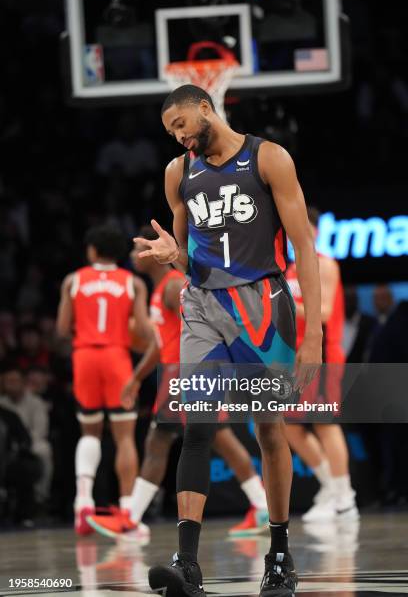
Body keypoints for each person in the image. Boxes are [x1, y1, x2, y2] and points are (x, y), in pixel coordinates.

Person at [134, 85, 322, 597]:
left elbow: (304, 247)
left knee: (268, 430)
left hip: (262, 302)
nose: (178, 136)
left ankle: (279, 554)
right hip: (202, 306)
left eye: (180, 124)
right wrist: (171, 254)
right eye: (169, 130)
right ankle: (187, 563)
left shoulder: (269, 158)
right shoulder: (179, 173)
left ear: (204, 107)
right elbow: (186, 258)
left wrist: (314, 334)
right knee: (196, 429)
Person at [111, 224, 268, 538]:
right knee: (202, 438)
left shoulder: (172, 287)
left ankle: (132, 519)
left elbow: (207, 323)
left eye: (136, 249)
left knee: (174, 441)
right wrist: (136, 378)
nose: (132, 255)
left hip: (188, 374)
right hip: (178, 374)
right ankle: (261, 504)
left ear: (153, 252)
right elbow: (159, 344)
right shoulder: (160, 290)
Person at [56, 225, 154, 536]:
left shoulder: (73, 280)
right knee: (124, 437)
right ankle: (127, 510)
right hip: (117, 357)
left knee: (90, 431)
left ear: (92, 251)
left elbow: (61, 329)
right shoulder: (133, 283)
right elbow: (142, 329)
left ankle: (82, 503)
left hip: (84, 356)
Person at [285, 207, 358, 522]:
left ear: (312, 230)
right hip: (294, 357)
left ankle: (345, 499)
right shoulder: (287, 271)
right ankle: (331, 487)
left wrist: (283, 301)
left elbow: (325, 312)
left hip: (324, 352)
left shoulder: (325, 264)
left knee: (325, 424)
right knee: (289, 427)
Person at [0, 367, 52, 506]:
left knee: (44, 449)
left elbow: (40, 430)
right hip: (6, 446)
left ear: (23, 382)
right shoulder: (2, 403)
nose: (12, 384)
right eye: (8, 381)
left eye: (15, 380)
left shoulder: (35, 402)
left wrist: (24, 445)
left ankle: (41, 496)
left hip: (31, 442)